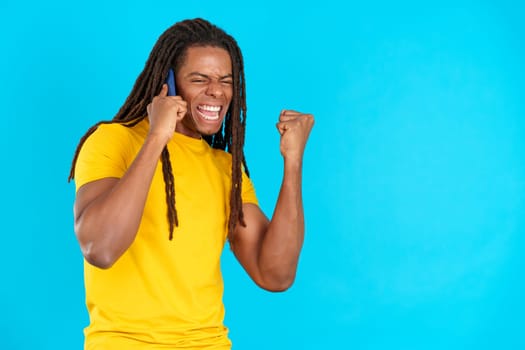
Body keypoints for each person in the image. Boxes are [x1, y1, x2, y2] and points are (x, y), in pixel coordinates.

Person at [69, 18, 314, 349]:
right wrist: (157, 136)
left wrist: (293, 161)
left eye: (226, 81)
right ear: (167, 82)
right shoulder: (112, 141)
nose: (216, 91)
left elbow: (276, 274)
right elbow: (101, 248)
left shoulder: (225, 168)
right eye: (199, 79)